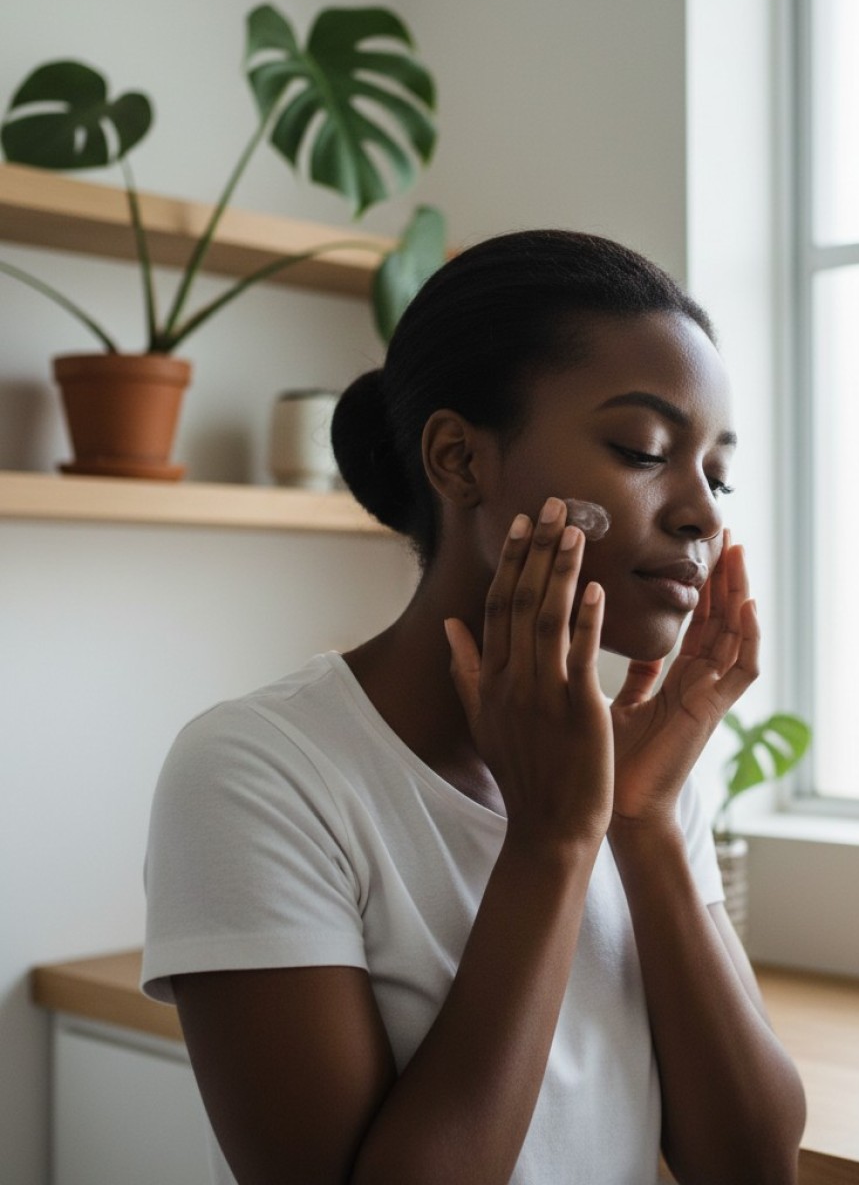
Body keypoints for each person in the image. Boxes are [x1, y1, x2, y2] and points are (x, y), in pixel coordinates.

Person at [141, 229, 806, 1185]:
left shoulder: (639, 779)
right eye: (644, 449)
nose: (703, 510)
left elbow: (749, 1166)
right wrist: (551, 841)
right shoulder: (261, 772)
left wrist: (645, 827)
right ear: (459, 461)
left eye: (718, 471)